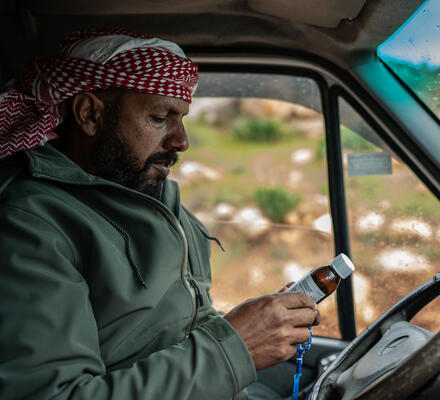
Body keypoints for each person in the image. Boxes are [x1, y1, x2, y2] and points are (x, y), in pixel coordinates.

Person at [0, 28, 319, 400]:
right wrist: (237, 348)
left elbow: (174, 328)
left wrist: (264, 323)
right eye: (159, 117)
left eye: (181, 118)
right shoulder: (32, 224)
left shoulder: (149, 195)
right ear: (89, 114)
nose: (181, 141)